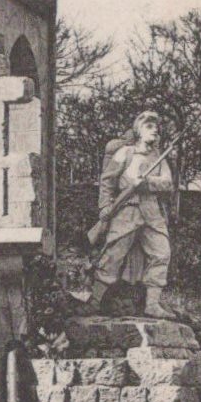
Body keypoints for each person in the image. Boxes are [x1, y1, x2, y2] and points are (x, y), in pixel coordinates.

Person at [78, 110, 175, 318]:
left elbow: (168, 183)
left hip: (151, 211)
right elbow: (107, 181)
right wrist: (105, 208)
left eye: (156, 128)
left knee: (162, 253)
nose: (155, 130)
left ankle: (152, 304)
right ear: (139, 130)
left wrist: (147, 183)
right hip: (126, 209)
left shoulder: (159, 158)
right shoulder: (125, 153)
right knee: (113, 254)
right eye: (149, 126)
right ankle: (94, 302)